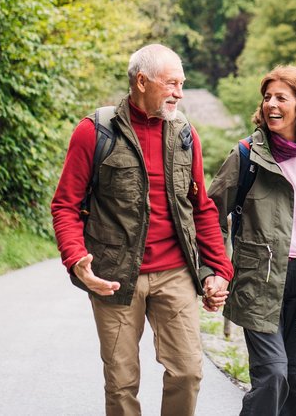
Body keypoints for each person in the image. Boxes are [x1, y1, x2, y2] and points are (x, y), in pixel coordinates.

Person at [51, 44, 233, 416]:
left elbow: (201, 207)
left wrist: (218, 270)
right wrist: (76, 260)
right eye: (171, 84)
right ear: (141, 81)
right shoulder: (94, 132)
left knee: (187, 372)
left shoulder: (185, 134)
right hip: (114, 276)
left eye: (182, 84)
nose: (179, 94)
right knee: (121, 383)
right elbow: (65, 205)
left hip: (175, 273)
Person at [209, 65, 296, 416]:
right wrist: (216, 269)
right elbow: (210, 215)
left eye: (281, 98)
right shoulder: (246, 156)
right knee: (273, 376)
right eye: (267, 97)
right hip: (259, 284)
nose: (271, 104)